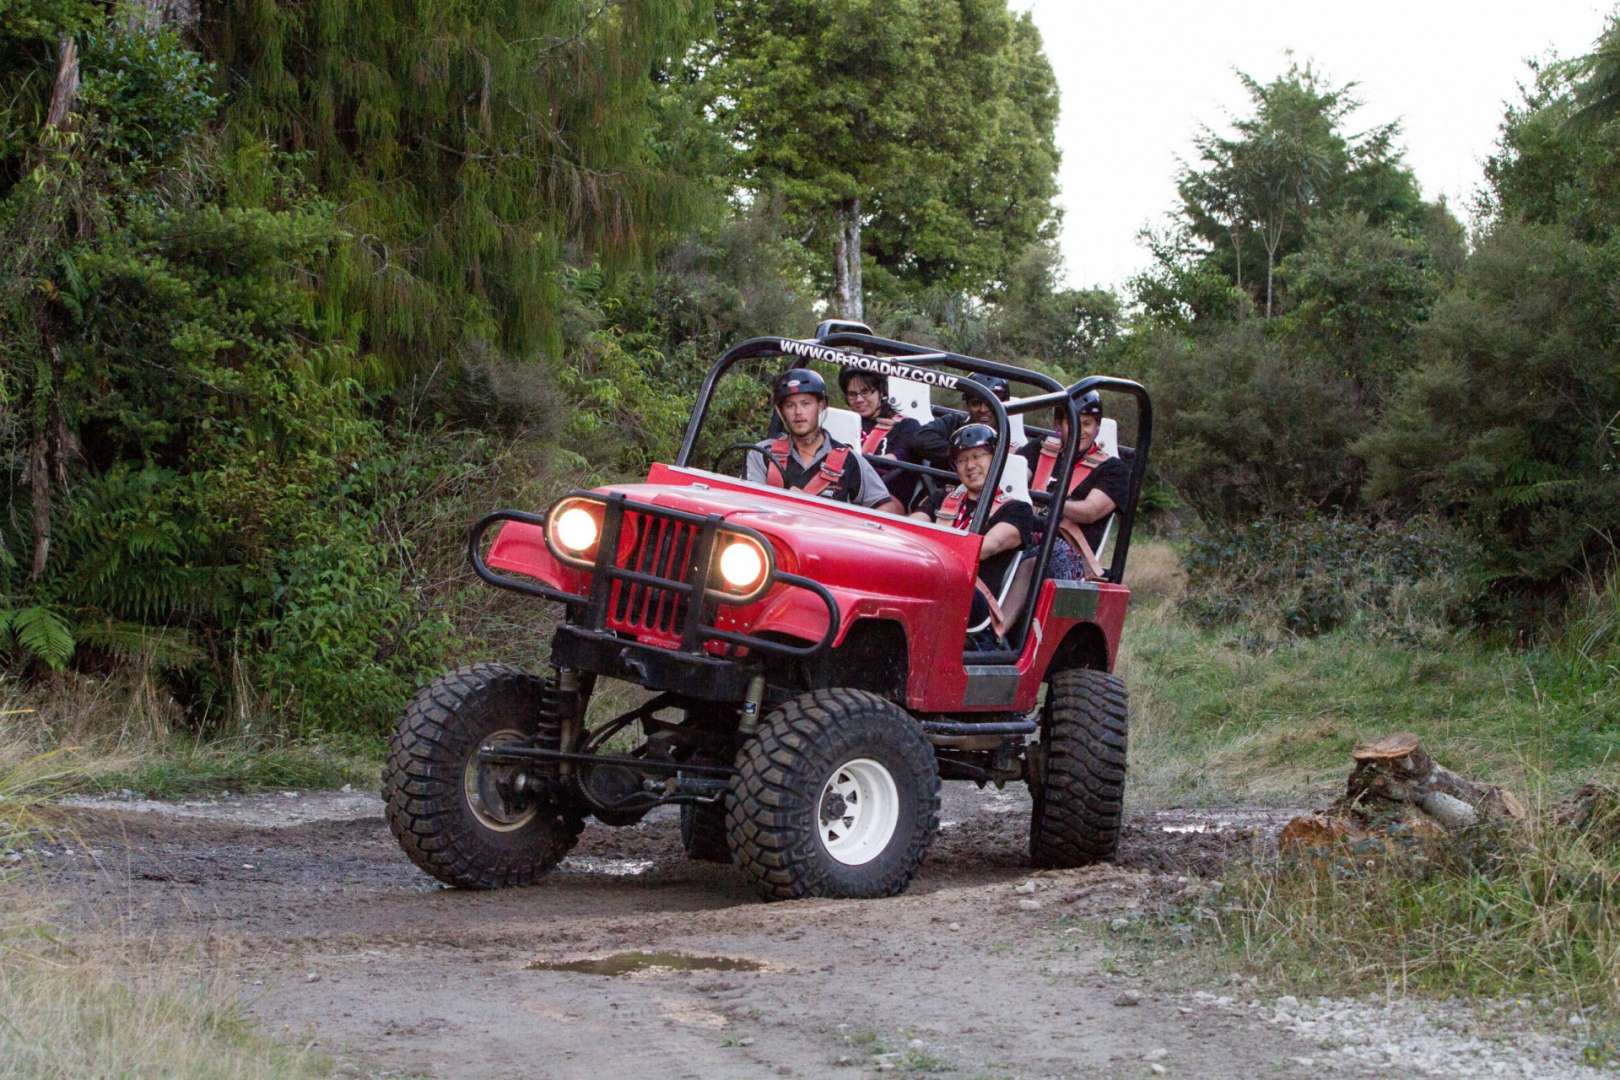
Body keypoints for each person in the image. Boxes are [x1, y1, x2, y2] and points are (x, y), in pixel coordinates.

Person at [912, 423, 1034, 646]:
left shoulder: (1017, 510)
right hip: (934, 581)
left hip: (975, 603)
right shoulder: (941, 499)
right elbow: (910, 531)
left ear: (997, 458)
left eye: (978, 456)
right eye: (962, 460)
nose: (970, 466)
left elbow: (987, 547)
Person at [745, 368, 901, 512]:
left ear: (821, 406)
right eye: (790, 405)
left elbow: (886, 508)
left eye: (806, 404)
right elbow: (749, 504)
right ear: (781, 411)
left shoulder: (849, 460)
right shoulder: (762, 454)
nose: (798, 412)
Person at [1018, 391, 1130, 580]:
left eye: (1087, 424)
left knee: (1039, 559)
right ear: (1059, 425)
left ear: (1097, 427)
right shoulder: (1039, 450)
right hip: (1026, 535)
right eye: (1073, 423)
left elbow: (1090, 511)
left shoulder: (1112, 469)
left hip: (1069, 551)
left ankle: (998, 611)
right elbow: (1012, 479)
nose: (1080, 430)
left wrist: (1047, 501)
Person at [837, 367, 930, 508]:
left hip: (885, 496)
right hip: (841, 489)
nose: (859, 399)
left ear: (881, 391)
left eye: (865, 391)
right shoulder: (843, 423)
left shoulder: (906, 426)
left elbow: (899, 456)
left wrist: (857, 461)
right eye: (852, 394)